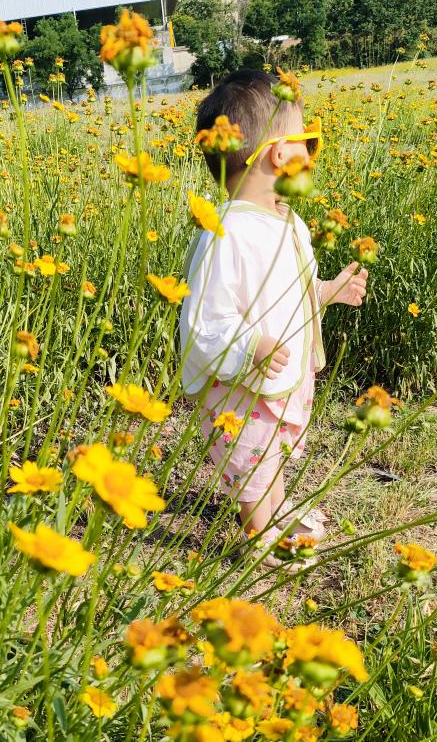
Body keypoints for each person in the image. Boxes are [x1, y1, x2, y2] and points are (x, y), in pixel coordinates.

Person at [179, 69, 368, 558]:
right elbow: (205, 318)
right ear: (280, 155)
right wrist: (250, 346)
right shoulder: (227, 233)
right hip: (243, 382)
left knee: (276, 452)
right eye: (310, 141)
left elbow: (289, 292)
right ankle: (260, 538)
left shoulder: (287, 221)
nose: (312, 153)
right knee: (253, 459)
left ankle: (279, 509)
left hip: (284, 376)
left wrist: (327, 291)